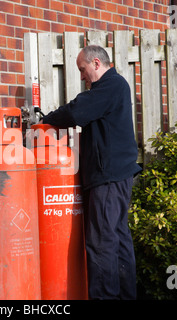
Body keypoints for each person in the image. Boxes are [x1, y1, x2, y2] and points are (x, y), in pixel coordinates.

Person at [40, 45, 142, 300]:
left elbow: (76, 110)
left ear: (96, 63)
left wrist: (45, 121)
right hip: (115, 177)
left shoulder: (111, 85)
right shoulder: (113, 88)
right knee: (117, 240)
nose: (82, 77)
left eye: (83, 70)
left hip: (108, 178)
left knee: (101, 244)